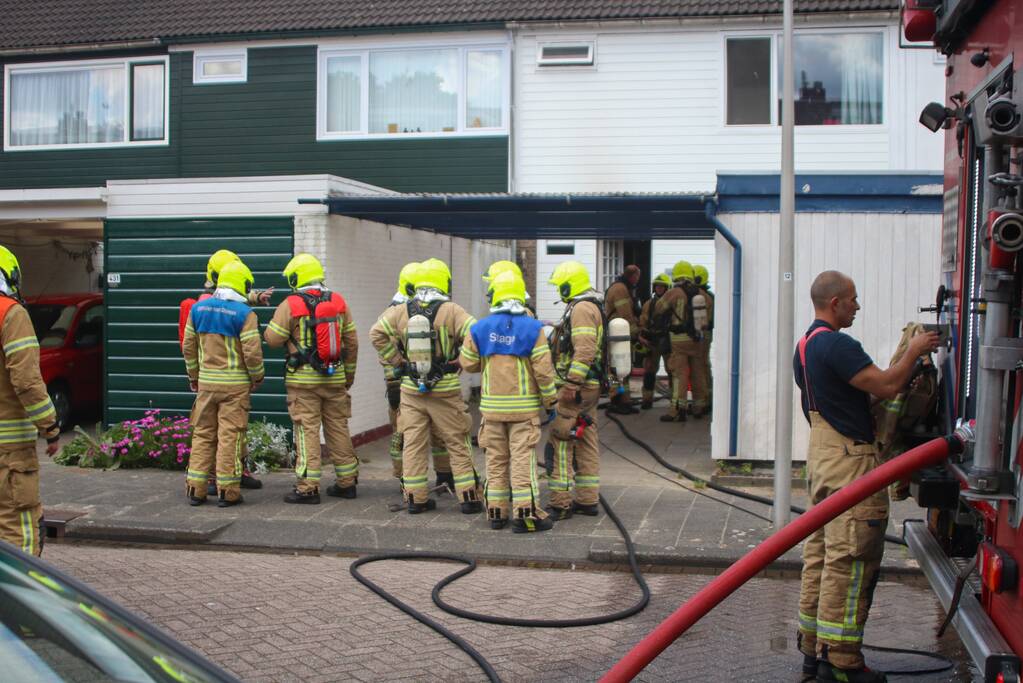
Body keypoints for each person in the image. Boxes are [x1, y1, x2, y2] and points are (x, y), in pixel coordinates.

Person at [794, 270, 939, 683]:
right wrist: (914, 352)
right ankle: (842, 664)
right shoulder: (837, 344)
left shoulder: (804, 346)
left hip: (823, 458)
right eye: (854, 299)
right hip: (850, 465)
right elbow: (889, 386)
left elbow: (851, 396)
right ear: (835, 302)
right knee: (852, 559)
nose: (858, 306)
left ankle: (813, 654)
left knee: (821, 557)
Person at [370, 258, 483, 514]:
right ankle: (468, 498)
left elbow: (376, 332)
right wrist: (462, 361)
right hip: (445, 388)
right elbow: (475, 333)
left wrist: (398, 361)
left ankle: (415, 499)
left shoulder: (401, 310)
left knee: (413, 444)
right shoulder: (452, 310)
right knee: (456, 441)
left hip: (411, 389)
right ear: (443, 281)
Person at [460, 271, 558, 532]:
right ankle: (526, 517)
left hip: (491, 410)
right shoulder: (533, 328)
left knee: (495, 460)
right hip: (523, 411)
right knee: (522, 461)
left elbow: (467, 364)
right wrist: (550, 401)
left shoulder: (480, 327)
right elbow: (544, 371)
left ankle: (496, 513)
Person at [264, 253, 359, 505]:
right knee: (338, 427)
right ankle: (347, 483)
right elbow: (351, 342)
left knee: (307, 431)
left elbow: (272, 339)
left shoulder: (291, 304)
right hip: (335, 377)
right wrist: (348, 375)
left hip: (303, 382)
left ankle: (308, 488)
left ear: (297, 277)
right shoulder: (338, 301)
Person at [179, 249, 272, 493]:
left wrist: (194, 377)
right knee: (230, 437)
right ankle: (227, 491)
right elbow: (252, 352)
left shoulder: (198, 309)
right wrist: (257, 377)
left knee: (203, 436)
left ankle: (196, 489)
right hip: (234, 386)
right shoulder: (245, 314)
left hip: (206, 385)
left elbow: (188, 347)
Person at [0, 246, 59, 555]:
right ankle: (19, 600)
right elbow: (26, 381)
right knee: (17, 528)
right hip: (8, 451)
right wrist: (50, 426)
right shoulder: (9, 313)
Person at [382, 262, 453, 489]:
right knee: (408, 435)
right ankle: (409, 477)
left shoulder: (401, 310)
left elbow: (383, 346)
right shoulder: (401, 311)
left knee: (411, 435)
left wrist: (395, 372)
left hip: (408, 384)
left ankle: (421, 479)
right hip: (410, 385)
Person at [545, 260, 603, 520]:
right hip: (589, 387)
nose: (559, 290)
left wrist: (571, 384)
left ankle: (560, 503)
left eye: (560, 285)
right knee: (587, 439)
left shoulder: (581, 309)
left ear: (570, 284)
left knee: (560, 440)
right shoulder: (591, 306)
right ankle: (588, 500)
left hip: (577, 389)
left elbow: (585, 349)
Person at [655, 260, 707, 421]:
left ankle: (677, 409)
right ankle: (699, 406)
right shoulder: (701, 293)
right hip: (697, 339)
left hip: (678, 339)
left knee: (680, 374)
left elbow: (658, 307)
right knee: (698, 373)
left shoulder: (675, 292)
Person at [604, 265, 641, 414]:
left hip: (621, 334)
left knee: (624, 368)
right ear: (633, 276)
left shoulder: (623, 287)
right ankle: (615, 399)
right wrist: (636, 334)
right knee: (615, 369)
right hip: (617, 334)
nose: (638, 280)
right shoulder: (620, 289)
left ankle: (624, 400)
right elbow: (625, 314)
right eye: (637, 276)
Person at [638, 273, 672, 410]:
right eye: (657, 286)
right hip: (653, 342)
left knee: (672, 371)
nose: (659, 289)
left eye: (661, 286)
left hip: (668, 340)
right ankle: (647, 398)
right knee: (649, 371)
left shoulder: (672, 303)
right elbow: (643, 321)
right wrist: (643, 336)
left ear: (667, 288)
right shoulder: (649, 304)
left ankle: (674, 400)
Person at [693, 264, 714, 411]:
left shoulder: (700, 296)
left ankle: (703, 400)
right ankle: (707, 397)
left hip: (701, 334)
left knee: (699, 366)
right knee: (704, 364)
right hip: (706, 333)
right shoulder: (710, 295)